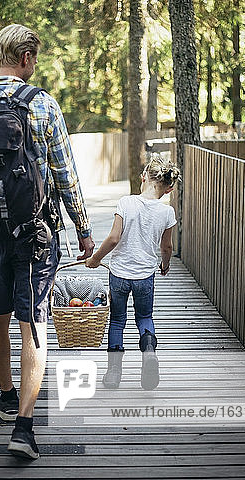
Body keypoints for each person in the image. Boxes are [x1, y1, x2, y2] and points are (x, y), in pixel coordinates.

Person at [0, 23, 94, 460]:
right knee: (33, 321)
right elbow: (65, 173)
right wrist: (83, 228)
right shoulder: (42, 105)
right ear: (26, 58)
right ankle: (24, 428)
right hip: (37, 234)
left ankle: (7, 395)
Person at [85, 154, 180, 390]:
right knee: (145, 318)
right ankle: (149, 353)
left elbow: (114, 238)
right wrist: (165, 264)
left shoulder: (126, 203)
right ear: (168, 189)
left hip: (118, 274)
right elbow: (166, 247)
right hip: (145, 276)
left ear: (144, 177)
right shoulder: (167, 212)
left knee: (117, 321)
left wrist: (95, 259)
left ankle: (114, 373)